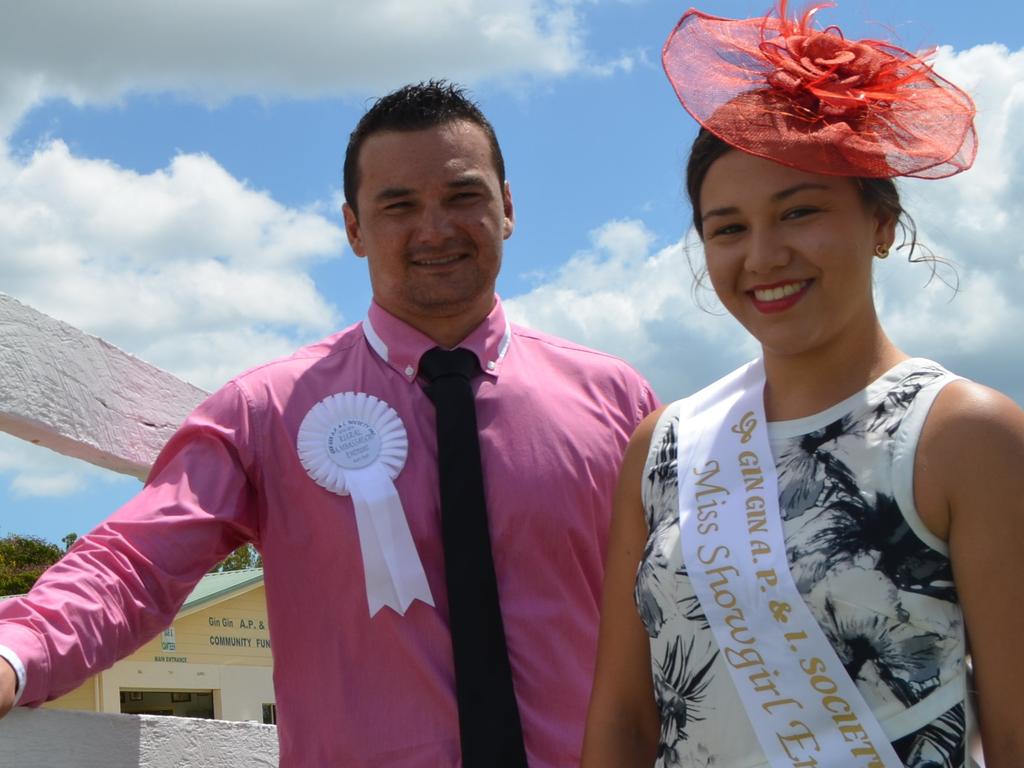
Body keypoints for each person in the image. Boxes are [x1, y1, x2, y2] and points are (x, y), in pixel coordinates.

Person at [0, 81, 658, 766]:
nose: (434, 229)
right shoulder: (266, 412)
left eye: (463, 196)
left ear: (509, 206)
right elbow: (134, 564)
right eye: (398, 205)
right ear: (353, 229)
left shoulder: (621, 403)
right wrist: (15, 651)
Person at [582, 4, 1023, 768]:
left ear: (881, 222)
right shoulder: (665, 445)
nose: (763, 255)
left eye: (801, 212)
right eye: (727, 229)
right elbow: (624, 716)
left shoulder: (963, 435)